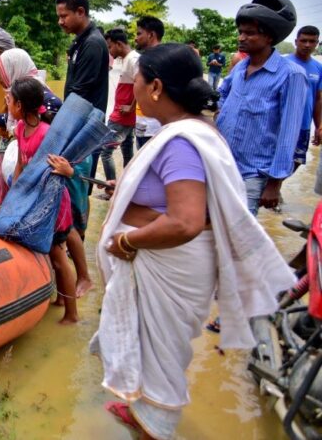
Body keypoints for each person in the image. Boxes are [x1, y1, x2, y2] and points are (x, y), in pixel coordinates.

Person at [92, 43, 295, 440]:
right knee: (156, 352)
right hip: (176, 266)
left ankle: (155, 425)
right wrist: (133, 188)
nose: (131, 90)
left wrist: (129, 241)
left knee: (161, 360)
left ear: (155, 88)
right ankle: (143, 412)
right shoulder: (194, 132)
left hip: (172, 266)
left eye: (136, 81)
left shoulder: (181, 142)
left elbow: (185, 222)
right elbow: (187, 203)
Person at [0, 48, 94, 298]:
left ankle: (83, 277)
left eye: (1, 69)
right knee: (62, 234)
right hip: (40, 172)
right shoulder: (25, 111)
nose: (0, 75)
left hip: (63, 166)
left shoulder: (42, 102)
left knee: (67, 230)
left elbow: (61, 145)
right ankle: (63, 285)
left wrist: (65, 171)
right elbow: (12, 123)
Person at [216, 0, 306, 215]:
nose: (241, 38)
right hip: (223, 166)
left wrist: (275, 183)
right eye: (240, 32)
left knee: (239, 236)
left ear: (269, 38)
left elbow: (288, 132)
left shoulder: (291, 75)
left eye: (250, 33)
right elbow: (221, 97)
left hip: (253, 174)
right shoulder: (239, 68)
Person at [5, 77, 78, 324]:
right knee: (51, 255)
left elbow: (63, 171)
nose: (7, 103)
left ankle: (72, 314)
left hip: (53, 206)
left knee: (58, 256)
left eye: (10, 99)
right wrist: (13, 196)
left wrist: (68, 171)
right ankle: (60, 299)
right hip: (34, 200)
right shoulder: (20, 129)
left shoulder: (47, 135)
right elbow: (20, 164)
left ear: (20, 105)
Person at [56, 0, 110, 196]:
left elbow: (80, 94)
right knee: (70, 183)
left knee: (78, 184)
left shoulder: (93, 44)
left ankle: (79, 227)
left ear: (80, 11)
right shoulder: (79, 42)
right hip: (77, 123)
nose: (60, 21)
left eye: (64, 16)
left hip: (85, 127)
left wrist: (57, 122)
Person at [99, 28, 140, 192]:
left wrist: (130, 107)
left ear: (119, 44)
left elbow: (141, 82)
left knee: (105, 150)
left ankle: (111, 188)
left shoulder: (133, 59)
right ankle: (127, 186)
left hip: (121, 117)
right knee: (127, 150)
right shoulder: (127, 59)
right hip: (125, 116)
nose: (109, 51)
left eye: (110, 47)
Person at [286, 25, 322, 168]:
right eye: (304, 41)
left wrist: (319, 126)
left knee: (296, 162)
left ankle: (275, 188)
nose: (307, 45)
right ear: (296, 42)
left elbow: (318, 99)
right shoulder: (284, 64)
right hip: (282, 124)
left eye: (312, 41)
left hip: (304, 125)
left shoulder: (318, 68)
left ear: (317, 44)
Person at [133, 16, 165, 149]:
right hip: (141, 122)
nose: (136, 38)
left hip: (154, 128)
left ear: (151, 35)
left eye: (139, 33)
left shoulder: (163, 60)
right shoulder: (143, 59)